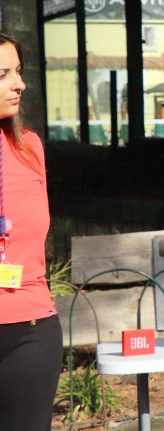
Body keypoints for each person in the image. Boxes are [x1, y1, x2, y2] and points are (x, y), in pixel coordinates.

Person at [0, 32, 62, 430]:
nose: (19, 84)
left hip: (30, 331)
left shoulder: (29, 147)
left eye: (19, 72)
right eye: (3, 74)